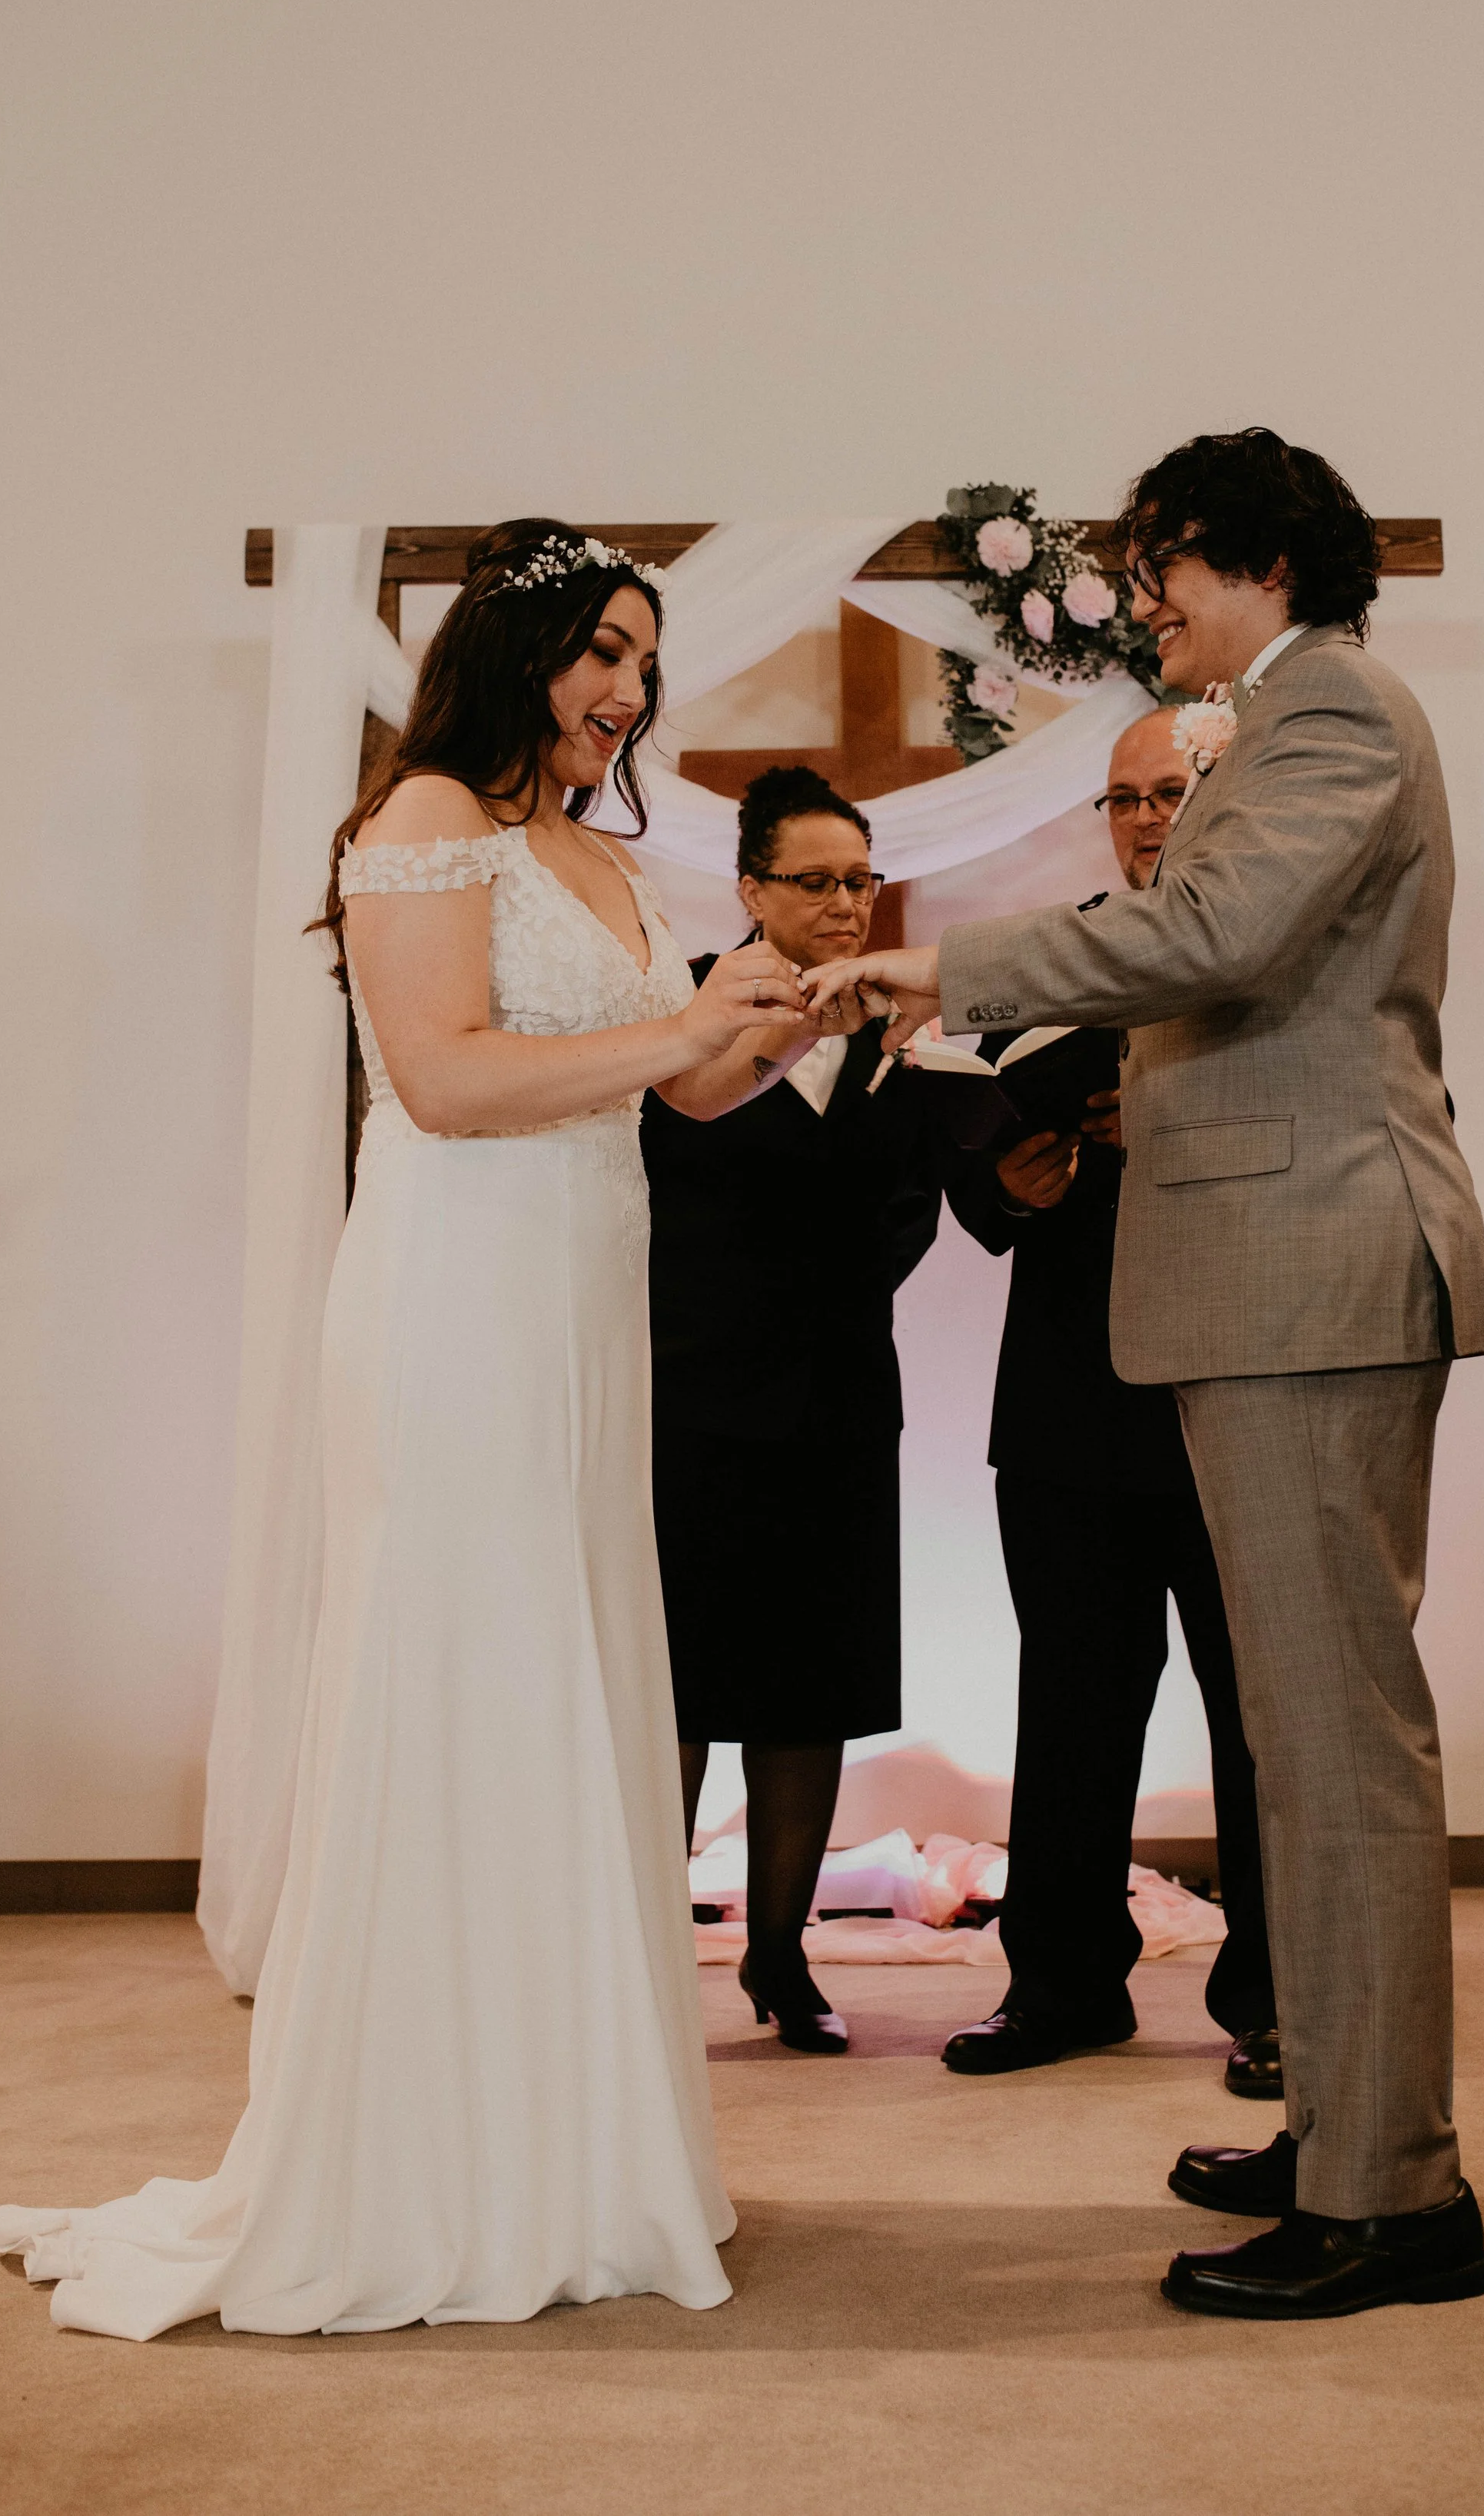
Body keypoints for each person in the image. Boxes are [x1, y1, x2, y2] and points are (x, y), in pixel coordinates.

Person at [0, 519, 832, 2338]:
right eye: (598, 649)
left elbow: (672, 1086)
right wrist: (679, 1026)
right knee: (471, 1674)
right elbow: (444, 1082)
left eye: (639, 657)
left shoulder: (589, 853)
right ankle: (429, 2157)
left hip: (583, 1305)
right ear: (516, 651)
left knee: (576, 1676)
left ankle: (580, 2143)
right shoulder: (424, 822)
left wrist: (768, 1018)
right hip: (460, 1303)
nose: (622, 687)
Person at [802, 429, 1484, 2323]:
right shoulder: (1284, 716)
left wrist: (933, 969)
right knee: (1301, 1740)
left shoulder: (1330, 705)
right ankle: (1349, 2131)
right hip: (1272, 1279)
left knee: (1337, 1754)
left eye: (1168, 565)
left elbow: (1216, 933)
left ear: (1261, 560)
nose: (1147, 602)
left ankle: (1393, 2200)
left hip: (1312, 1275)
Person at [936, 706, 1280, 2092]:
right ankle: (1064, 1983)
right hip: (1075, 1399)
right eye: (1125, 799)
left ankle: (1276, 1997)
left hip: (1234, 1391)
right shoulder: (1064, 953)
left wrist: (1185, 1123)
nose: (1145, 820)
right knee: (1069, 1705)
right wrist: (997, 1182)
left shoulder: (1278, 954)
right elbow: (966, 1130)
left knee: (1262, 1710)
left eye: (1173, 792)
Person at [641, 767, 941, 2056]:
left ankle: (781, 1951)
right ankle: (647, 1956)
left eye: (857, 882)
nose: (840, 905)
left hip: (835, 1396)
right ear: (751, 888)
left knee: (810, 1690)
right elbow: (647, 1182)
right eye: (812, 881)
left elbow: (906, 1211)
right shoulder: (684, 1006)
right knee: (681, 1689)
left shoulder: (896, 1029)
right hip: (694, 1392)